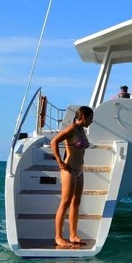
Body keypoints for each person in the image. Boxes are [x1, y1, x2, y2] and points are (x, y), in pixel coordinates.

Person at [51, 105, 94, 249]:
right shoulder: (71, 129)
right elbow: (54, 141)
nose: (91, 121)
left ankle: (73, 235)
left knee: (76, 202)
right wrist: (60, 162)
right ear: (83, 117)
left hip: (79, 170)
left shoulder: (82, 130)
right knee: (65, 202)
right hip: (69, 169)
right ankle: (58, 237)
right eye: (90, 118)